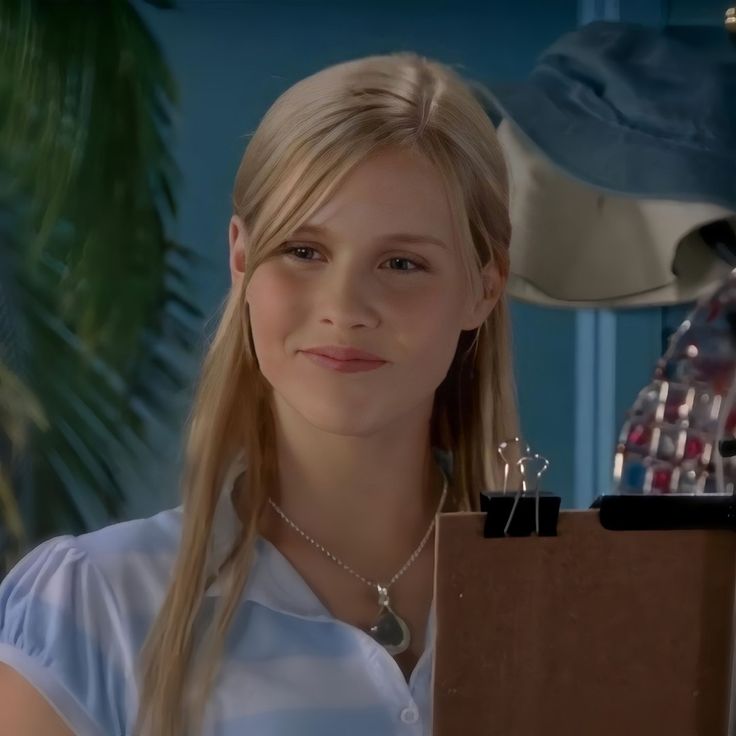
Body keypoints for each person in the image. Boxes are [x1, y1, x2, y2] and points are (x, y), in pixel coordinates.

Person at [0, 51, 519, 736]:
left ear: (483, 288)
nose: (345, 307)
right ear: (242, 259)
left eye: (402, 263)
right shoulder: (93, 604)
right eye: (304, 250)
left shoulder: (580, 597)